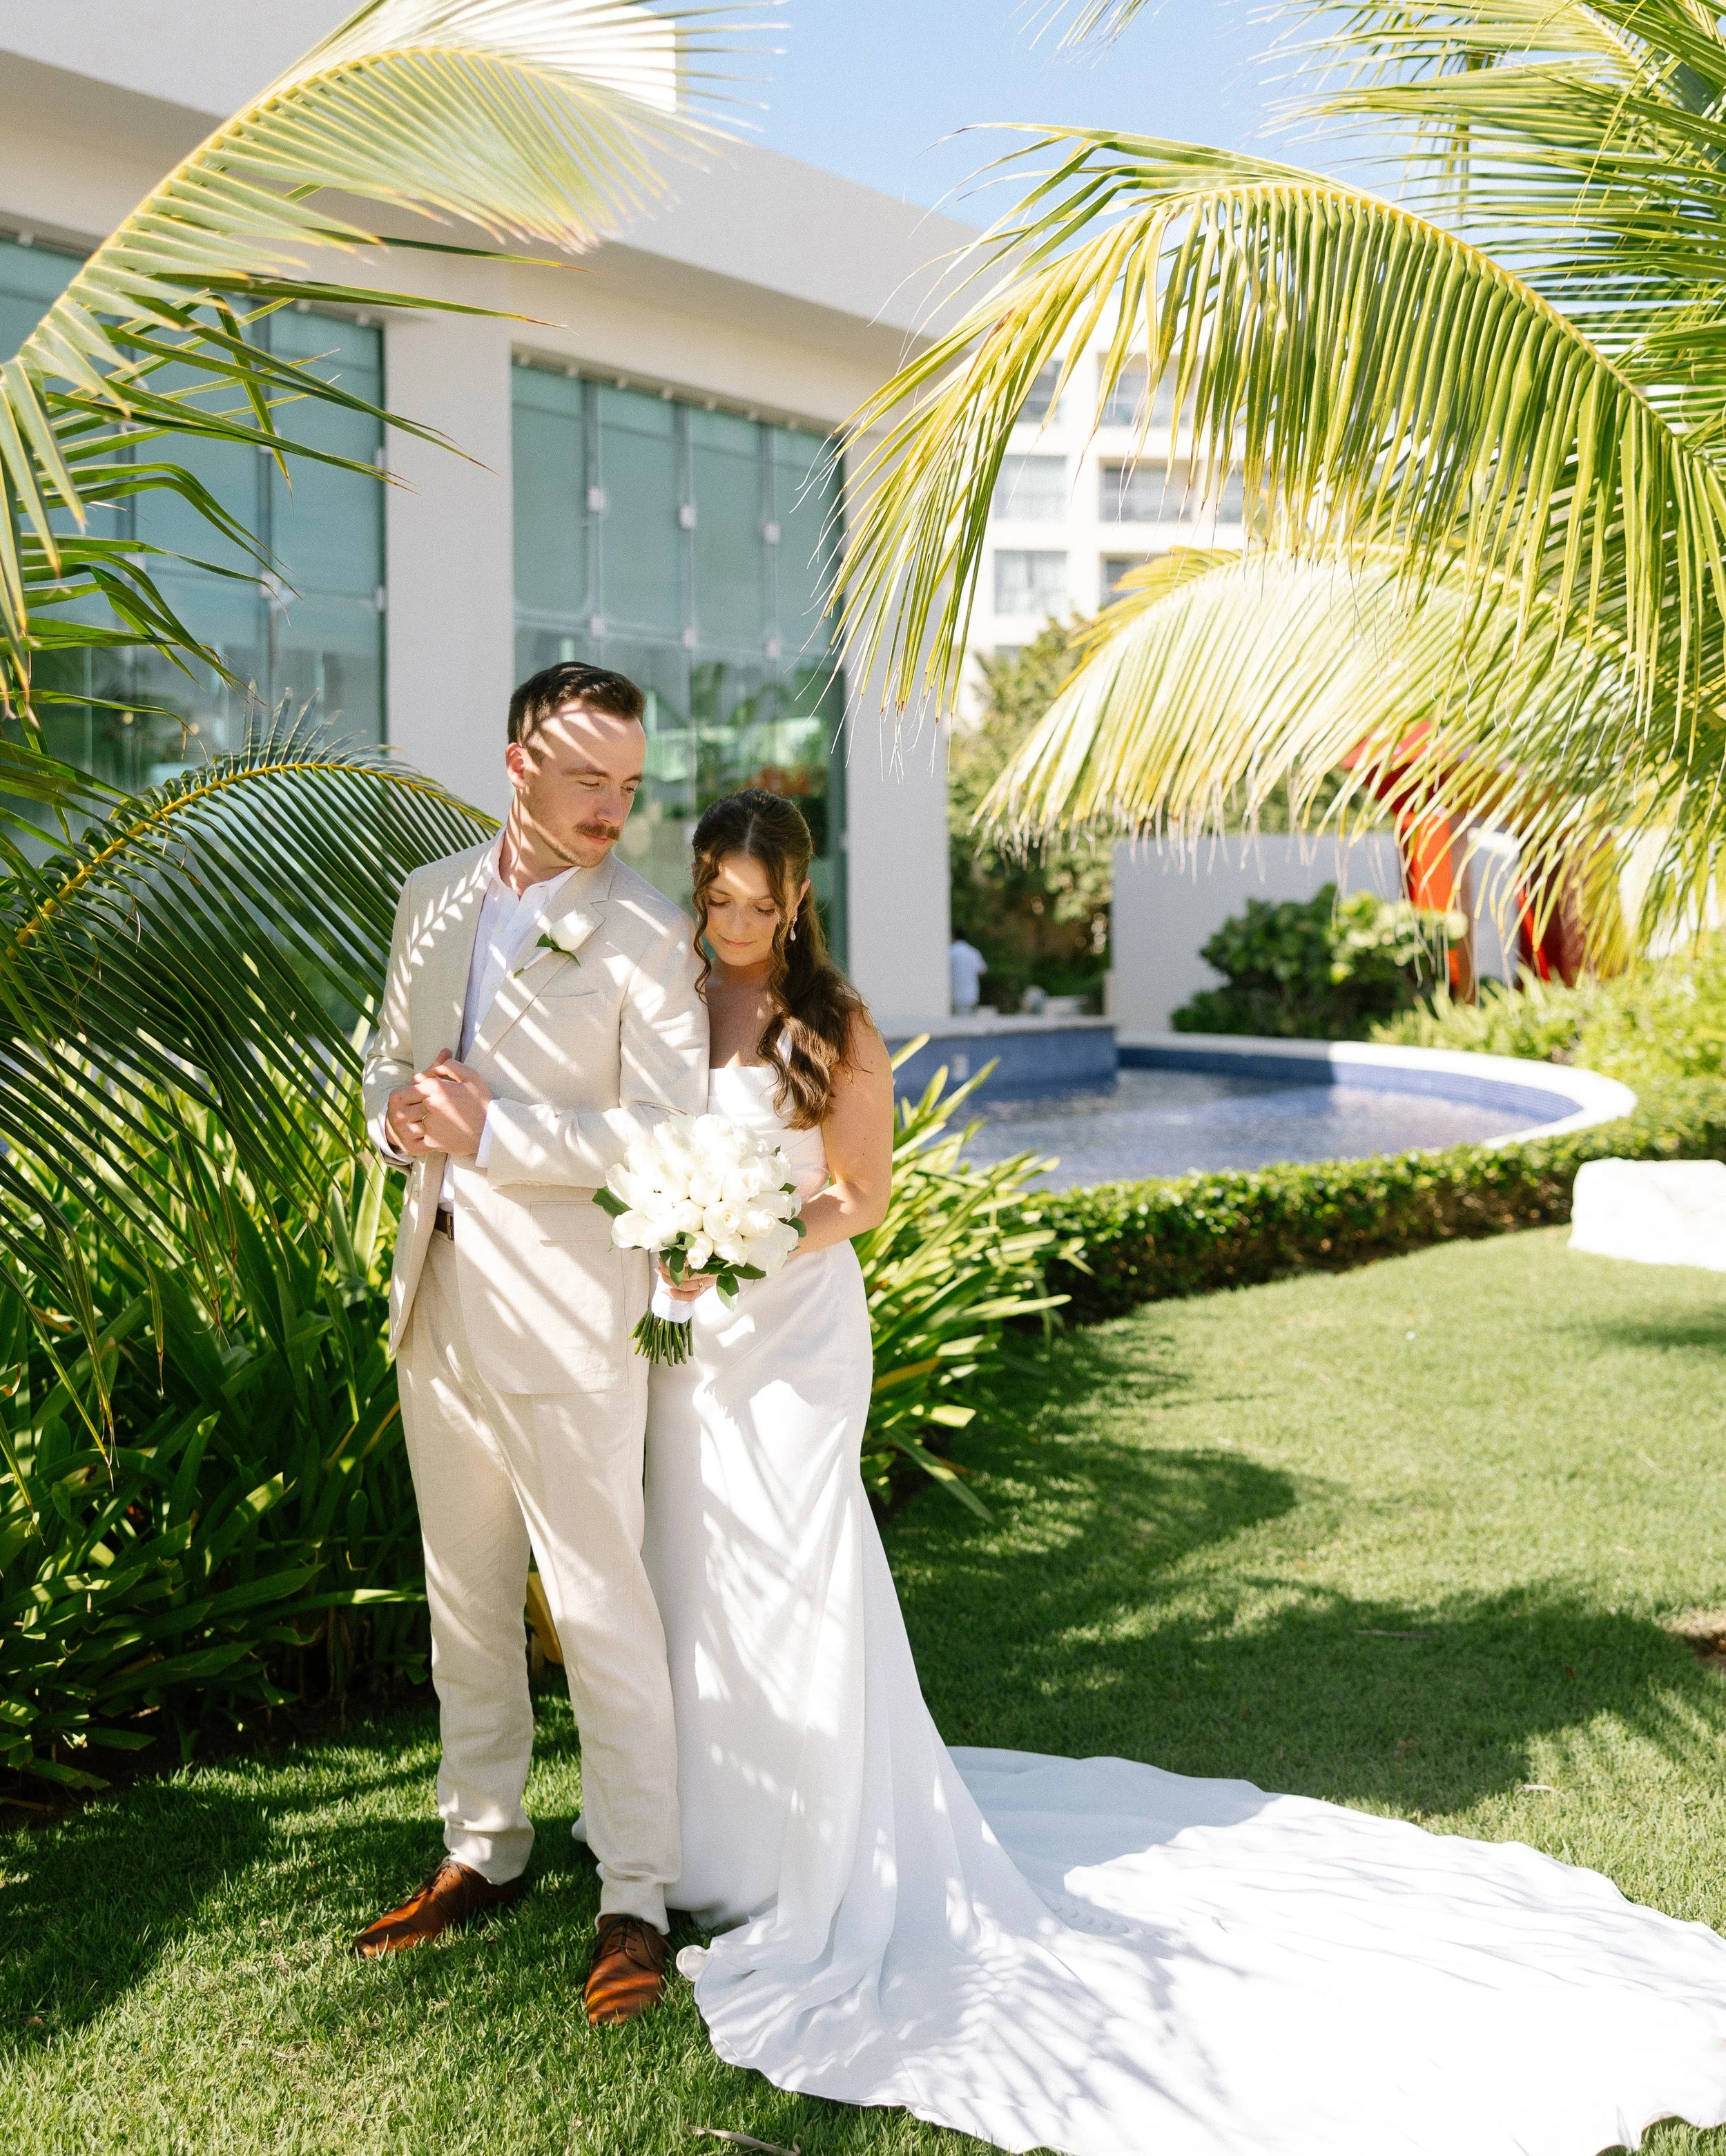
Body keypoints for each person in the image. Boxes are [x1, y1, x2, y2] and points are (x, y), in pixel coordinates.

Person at [646, 787, 1726, 2156]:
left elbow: (859, 1195)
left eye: (758, 901)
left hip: (794, 1331)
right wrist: (674, 1235)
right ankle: (707, 1832)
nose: (734, 924)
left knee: (801, 1561)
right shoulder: (671, 996)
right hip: (693, 1332)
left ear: (797, 897)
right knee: (701, 1557)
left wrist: (743, 1236)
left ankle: (813, 1854)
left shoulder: (835, 1022)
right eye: (716, 898)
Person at [354, 662, 708, 2027]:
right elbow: (386, 1070)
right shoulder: (430, 896)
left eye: (627, 786)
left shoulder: (649, 934)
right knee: (465, 1597)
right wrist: (402, 1119)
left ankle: (635, 1892)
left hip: (573, 1323)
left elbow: (667, 1139)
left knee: (602, 1610)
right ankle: (480, 1849)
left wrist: (493, 1130)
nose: (611, 808)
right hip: (433, 1304)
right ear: (516, 765)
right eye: (584, 780)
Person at [948, 932, 987, 1017]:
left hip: (955, 995)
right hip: (971, 994)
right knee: (969, 1022)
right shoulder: (973, 952)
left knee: (958, 1022)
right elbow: (982, 971)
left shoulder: (951, 951)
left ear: (954, 937)